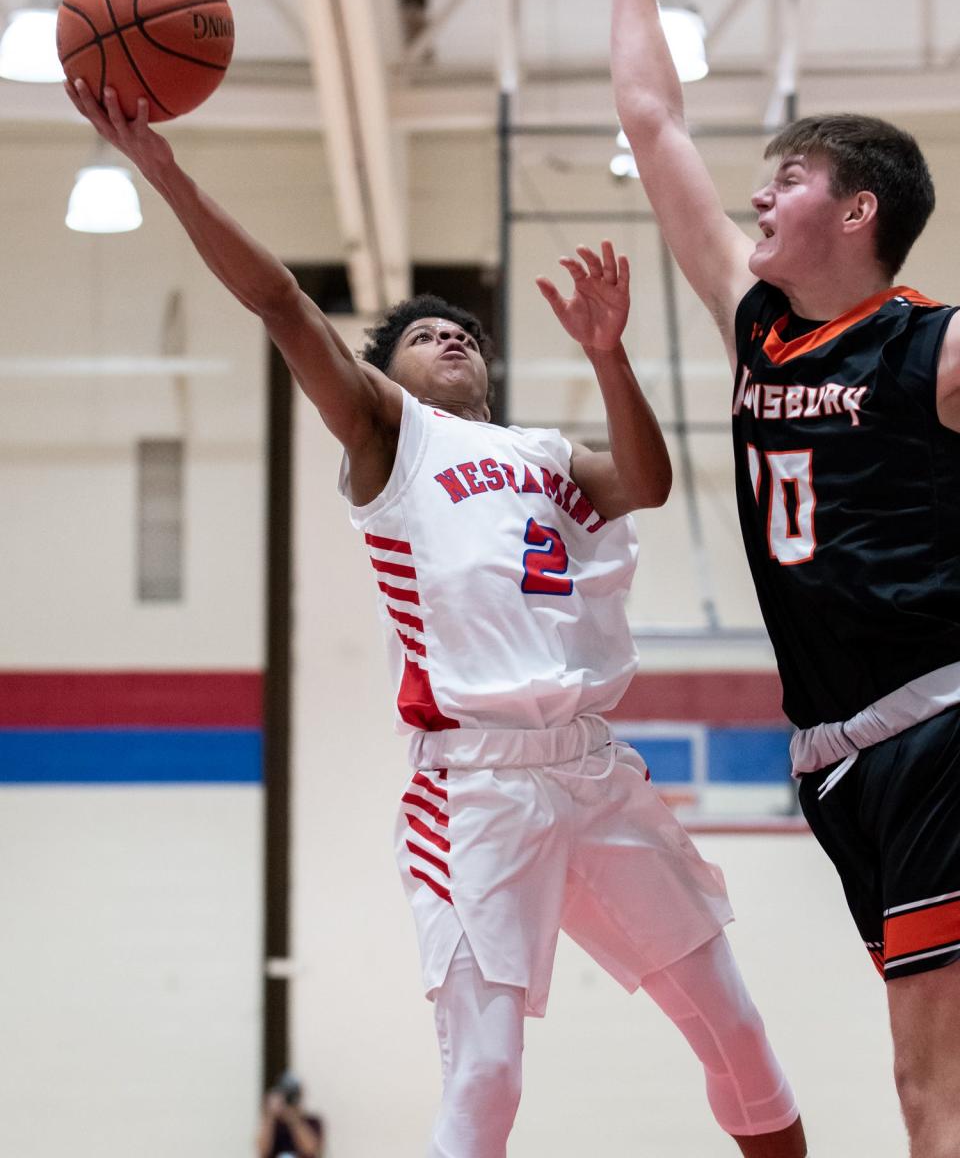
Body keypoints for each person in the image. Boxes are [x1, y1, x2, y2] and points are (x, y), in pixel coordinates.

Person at [65, 76, 805, 1157]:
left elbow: (643, 480)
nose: (451, 337)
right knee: (490, 1073)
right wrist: (166, 170)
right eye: (424, 336)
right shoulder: (391, 439)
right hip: (477, 787)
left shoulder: (546, 458)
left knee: (737, 1030)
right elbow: (278, 301)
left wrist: (607, 355)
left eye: (464, 331)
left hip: (594, 771)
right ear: (385, 376)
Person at [597, 0, 960, 1158]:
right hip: (834, 764)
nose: (759, 197)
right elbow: (650, 113)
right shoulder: (759, 322)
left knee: (931, 1089)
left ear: (858, 211)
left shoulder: (932, 345)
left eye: (789, 176)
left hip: (936, 732)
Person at [257, 1072, 324, 1158]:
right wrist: (270, 1115)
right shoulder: (274, 1124)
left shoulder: (312, 1121)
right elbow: (262, 1150)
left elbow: (310, 1149)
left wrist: (293, 1119)